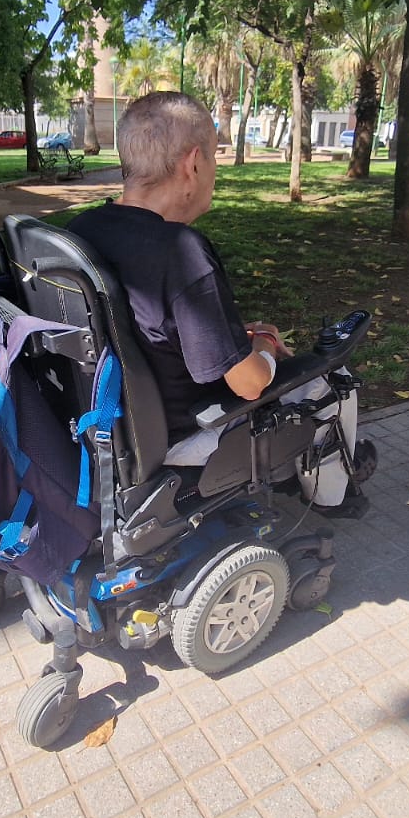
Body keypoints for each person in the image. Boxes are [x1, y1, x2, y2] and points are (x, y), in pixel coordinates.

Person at [67, 91, 368, 514]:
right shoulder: (180, 253)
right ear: (192, 163)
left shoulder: (80, 230)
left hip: (107, 424)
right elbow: (249, 384)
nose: (214, 171)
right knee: (332, 380)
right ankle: (332, 498)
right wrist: (263, 342)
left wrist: (233, 342)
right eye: (213, 157)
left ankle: (307, 470)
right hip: (183, 435)